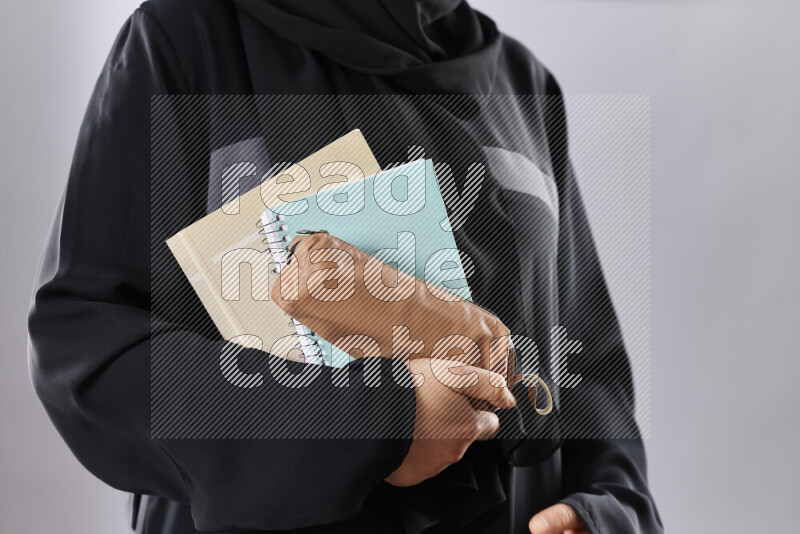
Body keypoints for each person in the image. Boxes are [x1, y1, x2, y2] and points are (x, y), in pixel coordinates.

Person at [28, 0, 662, 532]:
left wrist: (604, 509)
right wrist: (377, 421)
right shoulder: (189, 37)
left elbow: (589, 371)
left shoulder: (524, 85)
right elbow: (86, 348)